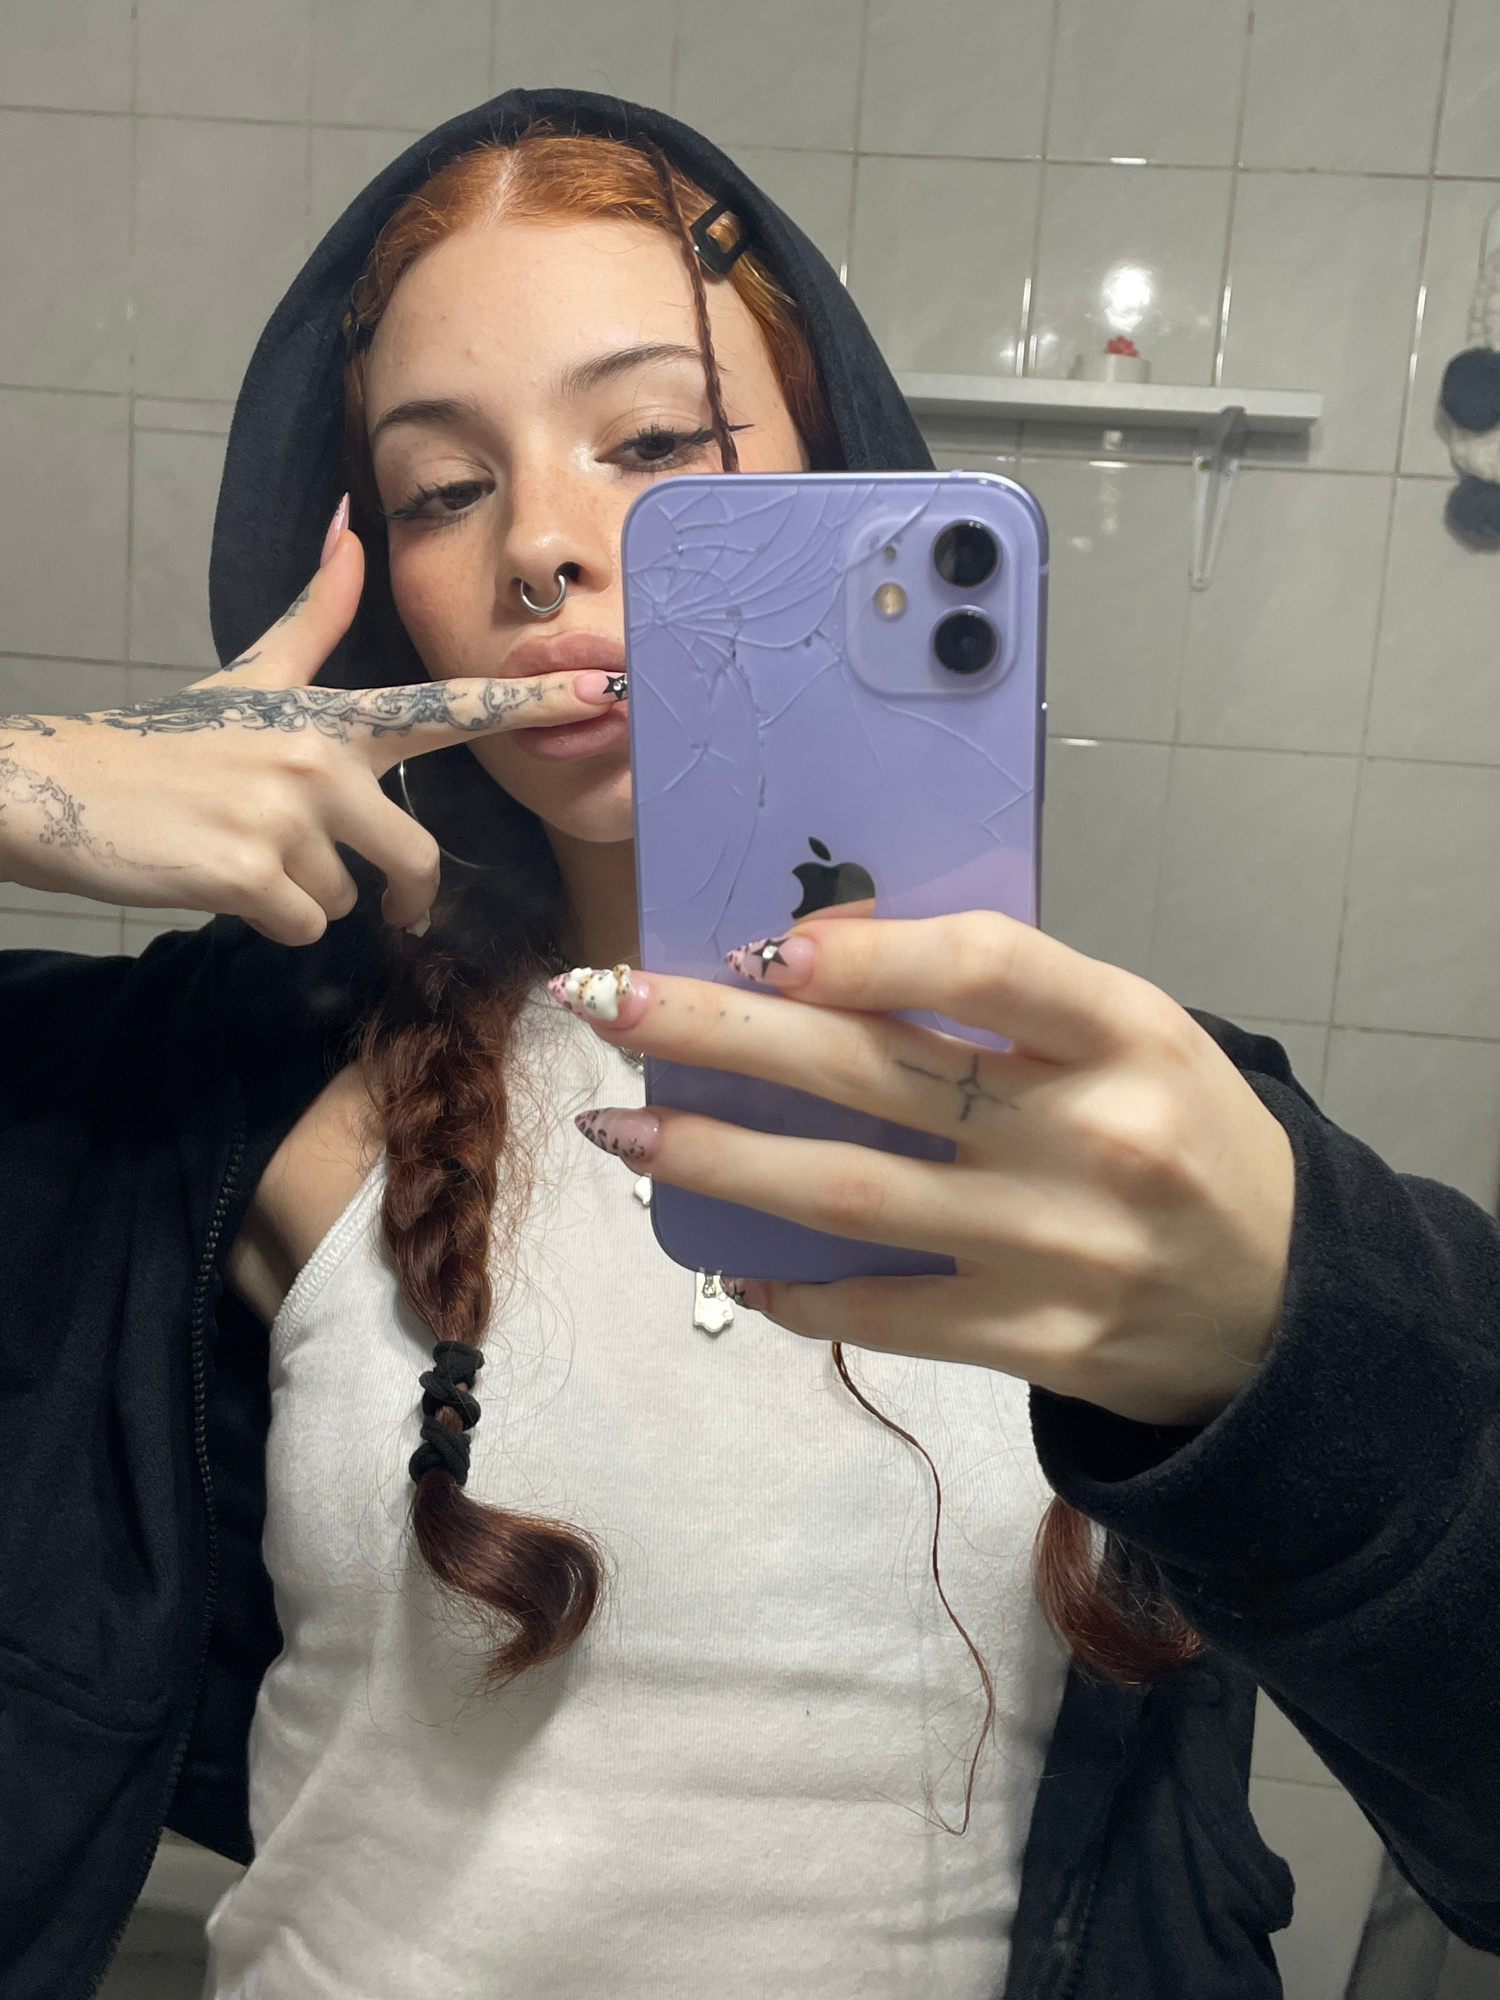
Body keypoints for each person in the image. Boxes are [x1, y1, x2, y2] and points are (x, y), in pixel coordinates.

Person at [0, 90, 1494, 2000]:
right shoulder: (261, 1079)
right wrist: (19, 787)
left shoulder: (1128, 1124)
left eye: (653, 444)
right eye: (444, 489)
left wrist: (1283, 1349)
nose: (543, 546)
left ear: (835, 481)